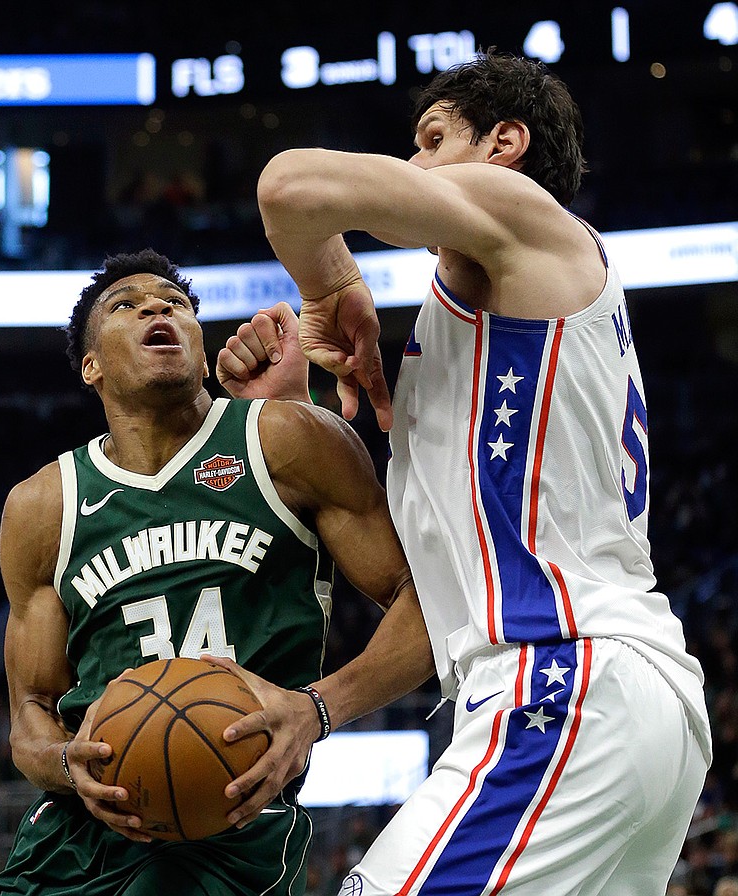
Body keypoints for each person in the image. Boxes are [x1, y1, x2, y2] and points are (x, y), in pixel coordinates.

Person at [218, 52, 712, 894]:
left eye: (433, 139)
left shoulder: (524, 209)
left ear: (505, 145)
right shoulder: (485, 334)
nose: (412, 166)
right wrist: (319, 705)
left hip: (566, 685)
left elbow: (290, 188)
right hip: (617, 701)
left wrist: (331, 281)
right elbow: (443, 604)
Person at [0, 248, 434, 896]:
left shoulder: (286, 441)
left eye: (175, 304)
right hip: (73, 836)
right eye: (127, 305)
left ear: (200, 347)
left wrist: (316, 709)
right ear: (92, 366)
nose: (157, 307)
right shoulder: (42, 506)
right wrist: (65, 761)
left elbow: (422, 602)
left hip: (228, 825)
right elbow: (30, 710)